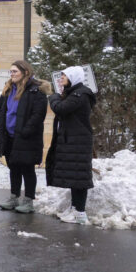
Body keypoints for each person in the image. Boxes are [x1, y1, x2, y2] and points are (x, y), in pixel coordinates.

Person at [0, 60, 48, 214]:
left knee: (27, 169)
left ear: (25, 72)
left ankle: (28, 201)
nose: (12, 74)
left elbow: (38, 115)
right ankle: (14, 197)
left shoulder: (36, 91)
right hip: (9, 136)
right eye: (10, 72)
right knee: (13, 168)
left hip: (26, 137)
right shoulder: (9, 88)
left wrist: (25, 131)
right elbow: (0, 110)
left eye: (15, 71)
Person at [46, 66, 96, 225]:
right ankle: (75, 209)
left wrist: (53, 96)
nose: (60, 80)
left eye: (63, 77)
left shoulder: (79, 94)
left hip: (78, 141)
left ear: (73, 78)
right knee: (75, 177)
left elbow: (60, 108)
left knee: (80, 179)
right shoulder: (74, 93)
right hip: (73, 140)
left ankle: (80, 214)